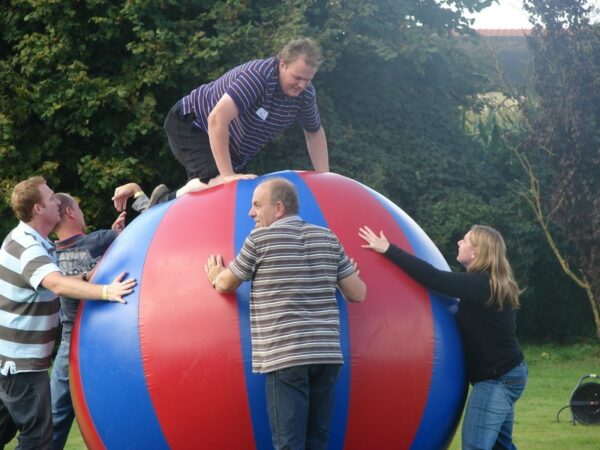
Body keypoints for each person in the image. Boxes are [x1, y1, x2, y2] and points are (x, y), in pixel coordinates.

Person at [205, 178, 366, 450]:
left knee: (289, 444)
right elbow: (358, 293)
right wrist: (333, 273)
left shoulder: (259, 240)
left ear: (278, 208)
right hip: (326, 356)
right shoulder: (327, 237)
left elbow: (226, 284)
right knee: (317, 441)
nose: (251, 213)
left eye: (257, 205)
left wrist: (215, 275)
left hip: (287, 356)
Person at [358, 224, 527, 450]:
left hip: (498, 379)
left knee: (475, 446)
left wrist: (389, 249)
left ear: (476, 252)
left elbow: (433, 277)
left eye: (465, 240)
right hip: (507, 374)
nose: (459, 242)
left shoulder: (480, 284)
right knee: (501, 446)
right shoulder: (488, 284)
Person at [112, 37, 329, 210]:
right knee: (217, 184)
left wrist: (325, 179)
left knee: (236, 196)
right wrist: (226, 175)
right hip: (192, 124)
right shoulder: (258, 78)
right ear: (282, 64)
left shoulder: (305, 95)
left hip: (228, 145)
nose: (302, 85)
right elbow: (217, 119)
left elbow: (314, 133)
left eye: (308, 79)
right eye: (297, 77)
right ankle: (162, 202)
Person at [0, 176, 136, 449]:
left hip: (12, 360)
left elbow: (60, 280)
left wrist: (88, 277)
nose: (57, 204)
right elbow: (57, 284)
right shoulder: (28, 246)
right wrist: (107, 291)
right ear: (38, 208)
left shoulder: (39, 243)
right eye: (51, 198)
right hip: (22, 364)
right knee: (39, 437)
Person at [49, 193, 126, 450]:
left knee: (55, 418)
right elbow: (134, 241)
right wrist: (116, 236)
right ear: (71, 213)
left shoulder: (51, 255)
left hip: (70, 343)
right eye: (79, 209)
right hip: (105, 340)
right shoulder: (99, 239)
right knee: (113, 412)